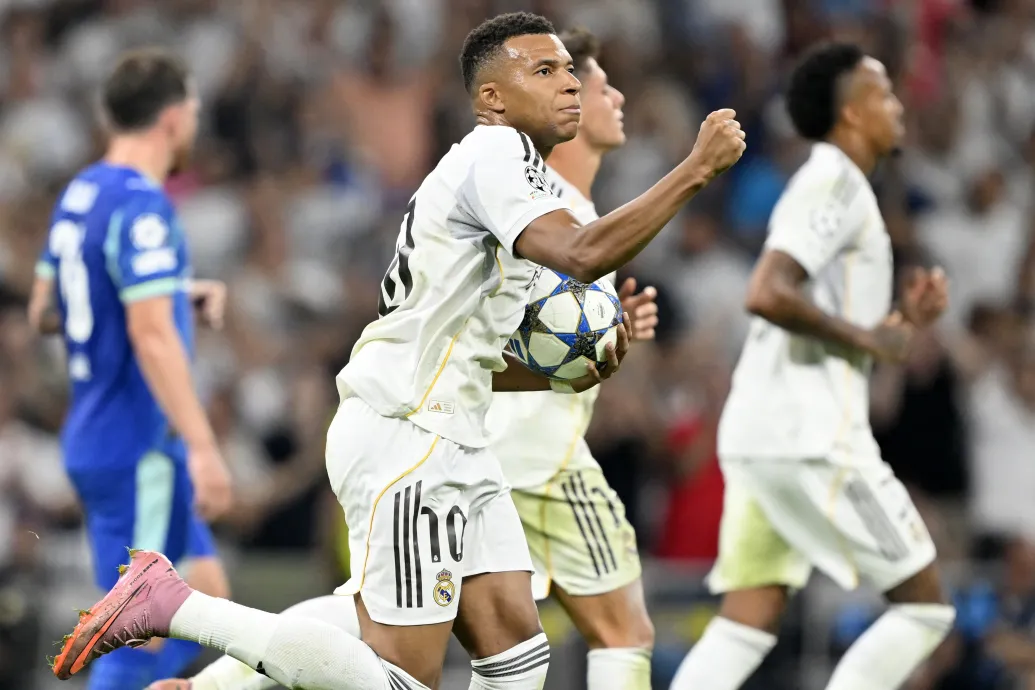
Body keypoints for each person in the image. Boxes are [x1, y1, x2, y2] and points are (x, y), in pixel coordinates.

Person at [53, 12, 745, 690]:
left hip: (453, 430)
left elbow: (475, 354)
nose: (568, 82)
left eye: (569, 70)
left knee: (516, 658)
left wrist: (564, 372)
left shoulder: (513, 176)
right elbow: (582, 254)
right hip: (410, 434)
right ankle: (177, 606)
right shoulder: (495, 154)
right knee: (400, 680)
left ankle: (215, 682)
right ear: (492, 99)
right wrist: (696, 169)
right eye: (544, 71)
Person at [668, 42, 955, 690]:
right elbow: (766, 291)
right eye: (882, 93)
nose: (897, 105)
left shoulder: (837, 187)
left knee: (745, 623)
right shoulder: (835, 183)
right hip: (812, 440)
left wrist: (901, 324)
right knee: (924, 608)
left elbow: (845, 334)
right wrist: (868, 335)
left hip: (761, 436)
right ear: (850, 112)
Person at [27, 48, 233, 689]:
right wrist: (204, 447)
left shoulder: (82, 192)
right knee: (139, 635)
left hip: (101, 433)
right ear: (173, 119)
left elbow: (44, 311)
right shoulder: (144, 207)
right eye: (193, 111)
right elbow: (150, 337)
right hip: (137, 445)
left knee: (210, 596)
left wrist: (170, 293)